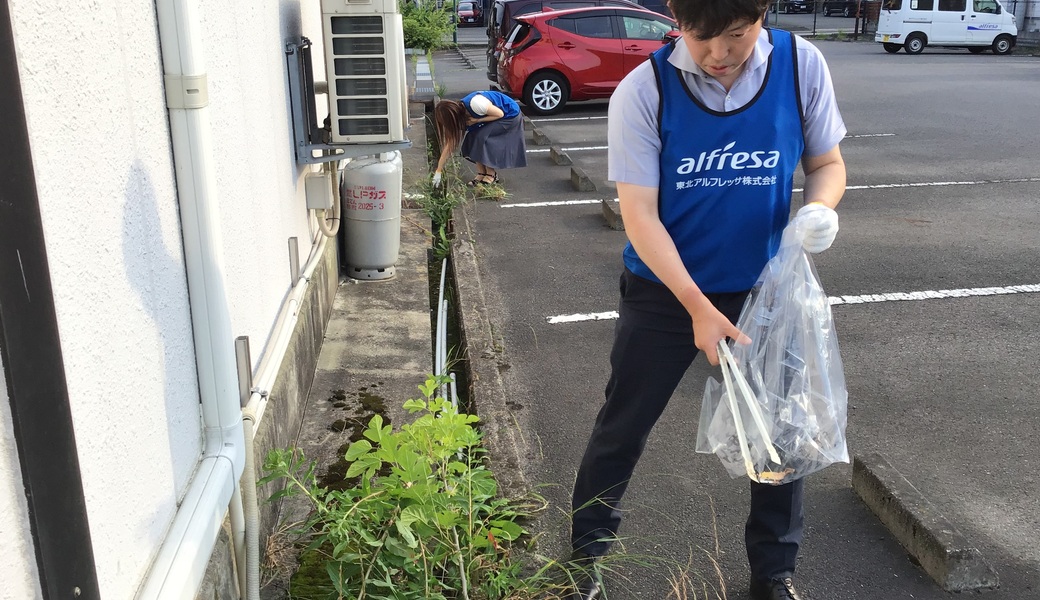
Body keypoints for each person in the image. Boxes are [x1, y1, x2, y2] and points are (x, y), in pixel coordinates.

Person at [566, 0, 847, 598]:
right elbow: (640, 215)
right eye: (701, 37)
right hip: (665, 294)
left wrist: (821, 209)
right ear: (676, 19)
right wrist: (696, 306)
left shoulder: (801, 66)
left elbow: (826, 162)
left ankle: (774, 574)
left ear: (762, 15)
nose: (719, 54)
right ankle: (582, 561)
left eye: (737, 36)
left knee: (777, 436)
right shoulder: (645, 91)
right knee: (623, 427)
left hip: (762, 290)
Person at [432, 91, 527, 188]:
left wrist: (477, 120)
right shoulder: (459, 117)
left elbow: (499, 114)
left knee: (482, 137)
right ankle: (481, 173)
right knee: (472, 136)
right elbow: (450, 144)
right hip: (495, 117)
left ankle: (491, 174)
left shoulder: (476, 104)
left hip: (510, 115)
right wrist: (438, 170)